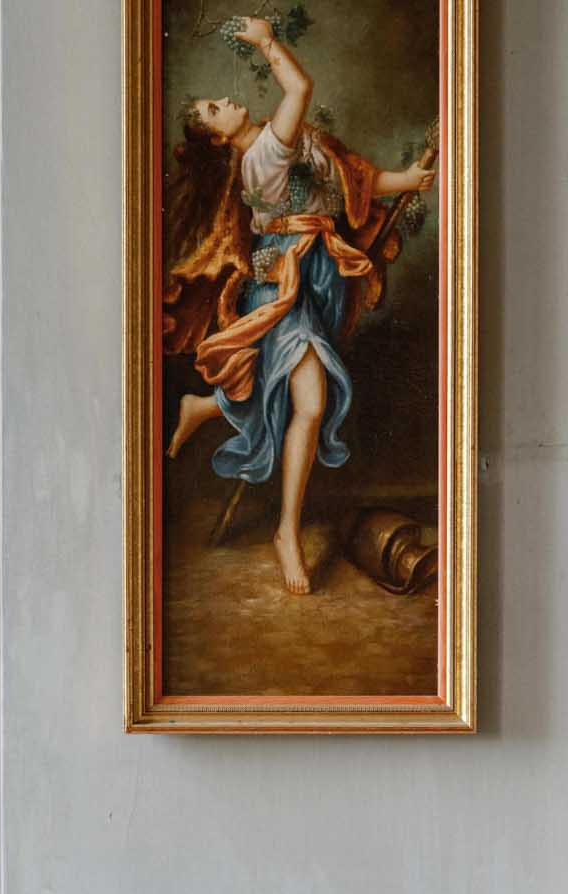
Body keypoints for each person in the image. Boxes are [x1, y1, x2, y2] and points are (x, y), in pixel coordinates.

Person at [162, 15, 436, 594]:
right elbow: (301, 88)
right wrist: (266, 41)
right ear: (217, 138)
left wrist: (407, 177)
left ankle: (204, 407)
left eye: (216, 100)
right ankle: (286, 530)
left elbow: (349, 184)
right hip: (282, 287)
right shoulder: (259, 157)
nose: (225, 100)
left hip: (314, 282)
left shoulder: (280, 141)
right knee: (308, 402)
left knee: (288, 393)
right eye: (214, 109)